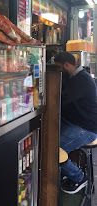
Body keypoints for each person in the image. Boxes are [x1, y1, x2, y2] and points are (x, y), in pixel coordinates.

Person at [54, 52, 97, 194]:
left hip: (87, 128)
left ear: (66, 65)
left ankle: (78, 177)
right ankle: (65, 169)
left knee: (53, 149)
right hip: (77, 123)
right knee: (49, 139)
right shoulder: (76, 77)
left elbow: (62, 101)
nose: (58, 71)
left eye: (59, 67)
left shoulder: (81, 80)